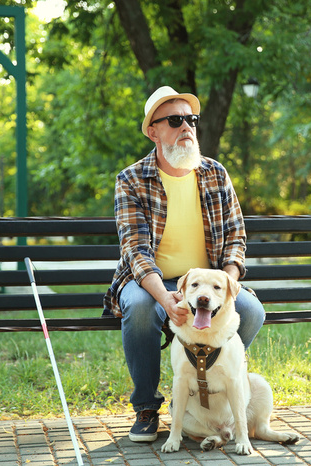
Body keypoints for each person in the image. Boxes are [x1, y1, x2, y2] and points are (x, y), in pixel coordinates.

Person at [103, 86, 266, 442]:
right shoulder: (131, 180)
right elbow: (136, 251)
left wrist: (229, 284)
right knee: (143, 310)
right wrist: (165, 298)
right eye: (175, 120)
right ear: (153, 131)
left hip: (208, 282)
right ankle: (147, 407)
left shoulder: (215, 174)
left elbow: (236, 239)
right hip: (150, 280)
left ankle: (205, 386)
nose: (187, 127)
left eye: (191, 120)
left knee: (251, 311)